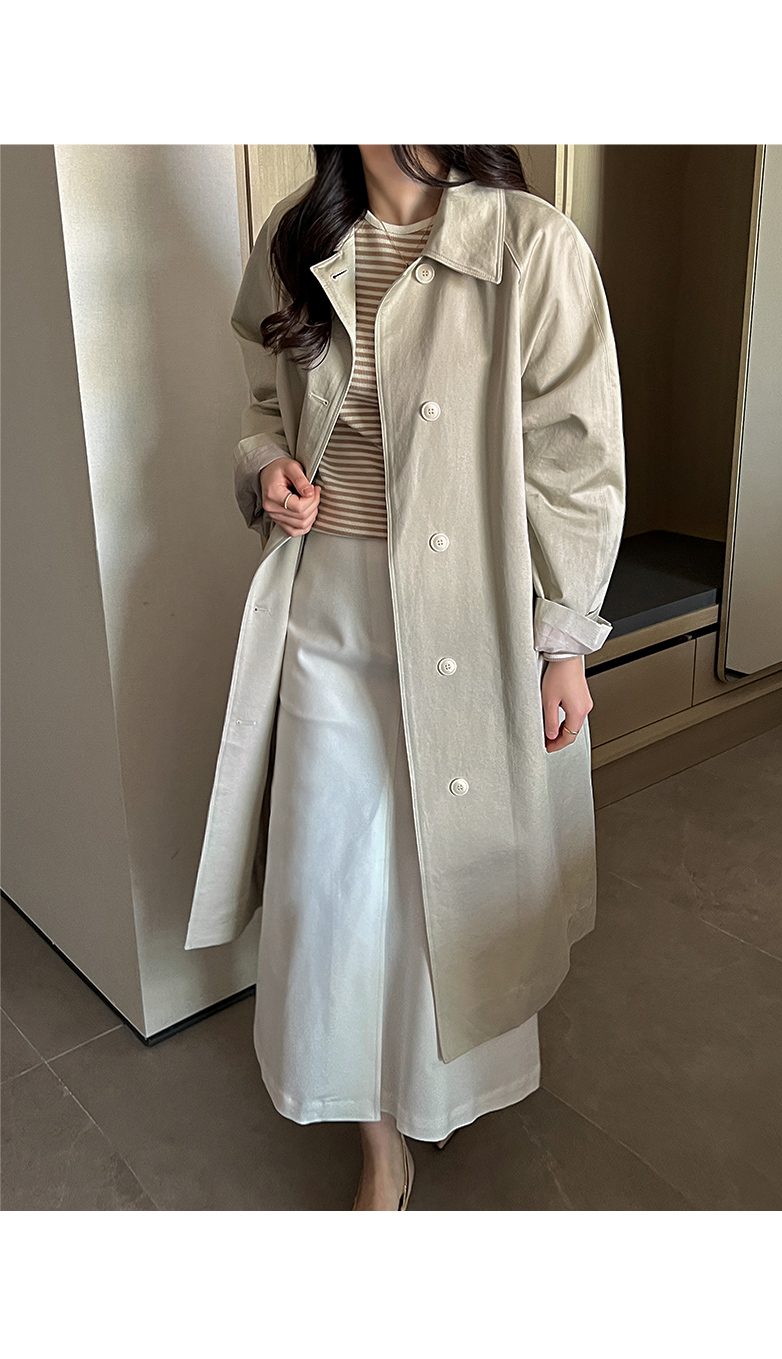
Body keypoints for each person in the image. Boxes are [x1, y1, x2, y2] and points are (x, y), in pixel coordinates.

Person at [186, 145, 626, 1207]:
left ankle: (437, 1097)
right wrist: (266, 465)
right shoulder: (297, 236)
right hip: (328, 610)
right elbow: (260, 399)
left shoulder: (530, 244)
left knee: (444, 877)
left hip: (474, 612)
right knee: (332, 883)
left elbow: (575, 458)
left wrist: (563, 641)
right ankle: (381, 1150)